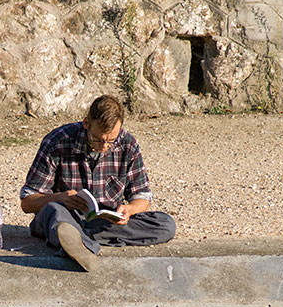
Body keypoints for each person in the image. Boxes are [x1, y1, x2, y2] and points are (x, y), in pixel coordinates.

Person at [20, 95, 176, 271]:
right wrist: (60, 197)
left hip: (103, 222)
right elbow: (27, 202)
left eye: (111, 141)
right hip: (64, 215)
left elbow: (142, 197)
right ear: (86, 123)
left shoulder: (128, 144)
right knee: (53, 211)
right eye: (98, 139)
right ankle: (78, 241)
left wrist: (129, 210)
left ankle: (76, 240)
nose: (104, 146)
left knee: (165, 224)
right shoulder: (57, 142)